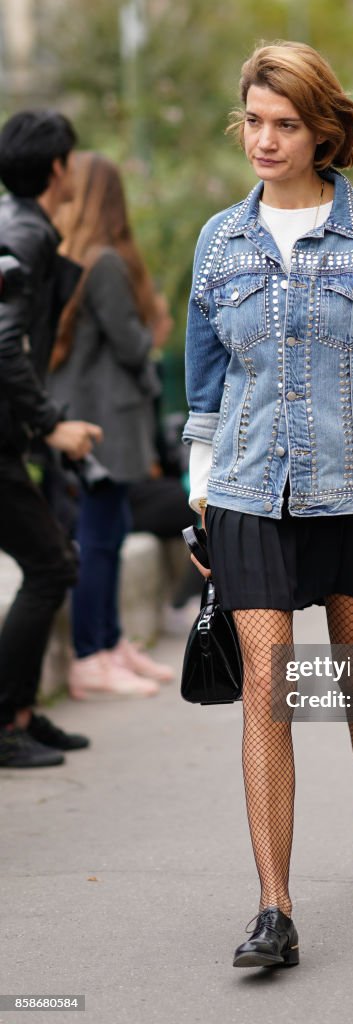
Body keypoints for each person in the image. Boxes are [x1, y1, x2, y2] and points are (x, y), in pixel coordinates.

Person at [183, 41, 353, 969]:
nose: (264, 140)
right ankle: (274, 907)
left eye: (285, 125)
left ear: (322, 131)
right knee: (266, 686)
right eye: (254, 122)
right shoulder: (220, 240)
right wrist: (199, 492)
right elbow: (204, 389)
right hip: (249, 490)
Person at [49, 152, 175, 699]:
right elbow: (130, 344)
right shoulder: (103, 263)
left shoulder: (70, 254)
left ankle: (110, 642)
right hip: (106, 419)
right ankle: (91, 656)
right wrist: (159, 332)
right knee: (99, 537)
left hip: (88, 412)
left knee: (109, 528)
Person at [0, 110, 104, 769]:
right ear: (59, 167)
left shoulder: (19, 227)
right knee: (52, 564)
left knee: (51, 558)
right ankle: (7, 721)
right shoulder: (24, 234)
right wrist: (49, 422)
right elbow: (5, 340)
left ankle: (21, 712)